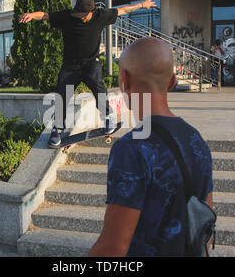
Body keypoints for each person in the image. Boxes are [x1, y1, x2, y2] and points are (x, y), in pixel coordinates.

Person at [88, 37, 214, 257]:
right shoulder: (196, 140)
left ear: (124, 81)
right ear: (173, 81)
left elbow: (114, 247)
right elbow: (206, 229)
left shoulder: (131, 149)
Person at [19, 0, 157, 148]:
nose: (82, 18)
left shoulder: (101, 15)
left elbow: (123, 9)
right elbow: (45, 15)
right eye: (79, 15)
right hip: (70, 66)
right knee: (62, 95)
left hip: (91, 63)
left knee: (97, 85)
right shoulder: (66, 16)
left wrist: (142, 5)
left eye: (85, 15)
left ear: (92, 11)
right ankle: (57, 129)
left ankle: (108, 117)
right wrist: (32, 15)